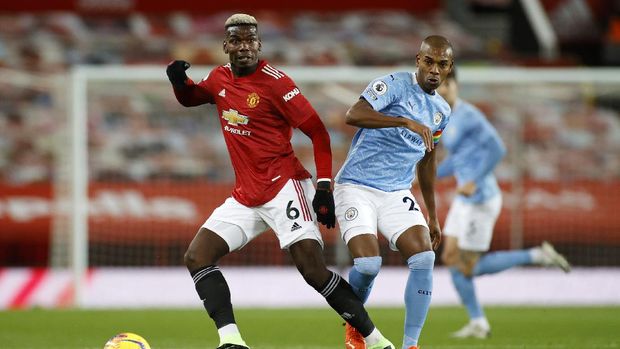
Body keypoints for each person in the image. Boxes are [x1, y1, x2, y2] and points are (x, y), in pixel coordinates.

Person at [166, 14, 395, 349]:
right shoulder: (219, 78)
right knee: (197, 256)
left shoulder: (277, 84)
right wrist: (177, 80)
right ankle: (232, 341)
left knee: (313, 272)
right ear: (226, 46)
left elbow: (318, 133)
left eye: (250, 41)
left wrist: (324, 187)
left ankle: (376, 342)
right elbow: (191, 97)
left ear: (259, 45)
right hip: (246, 196)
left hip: (283, 187)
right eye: (237, 41)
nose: (244, 47)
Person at [334, 35, 454, 349]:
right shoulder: (394, 85)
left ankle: (411, 345)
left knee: (425, 257)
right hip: (356, 185)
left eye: (442, 64)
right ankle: (355, 327)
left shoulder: (441, 111)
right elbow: (353, 115)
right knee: (368, 265)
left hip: (396, 191)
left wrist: (433, 215)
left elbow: (428, 161)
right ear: (418, 60)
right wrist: (405, 122)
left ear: (449, 68)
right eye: (429, 61)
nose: (434, 70)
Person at [436, 68, 571, 339]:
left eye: (447, 84)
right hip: (465, 200)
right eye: (439, 84)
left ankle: (537, 255)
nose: (442, 89)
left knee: (468, 267)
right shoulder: (444, 117)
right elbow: (458, 156)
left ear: (456, 85)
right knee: (450, 257)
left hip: (481, 199)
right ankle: (478, 322)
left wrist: (473, 179)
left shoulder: (469, 115)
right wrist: (428, 174)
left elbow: (498, 148)